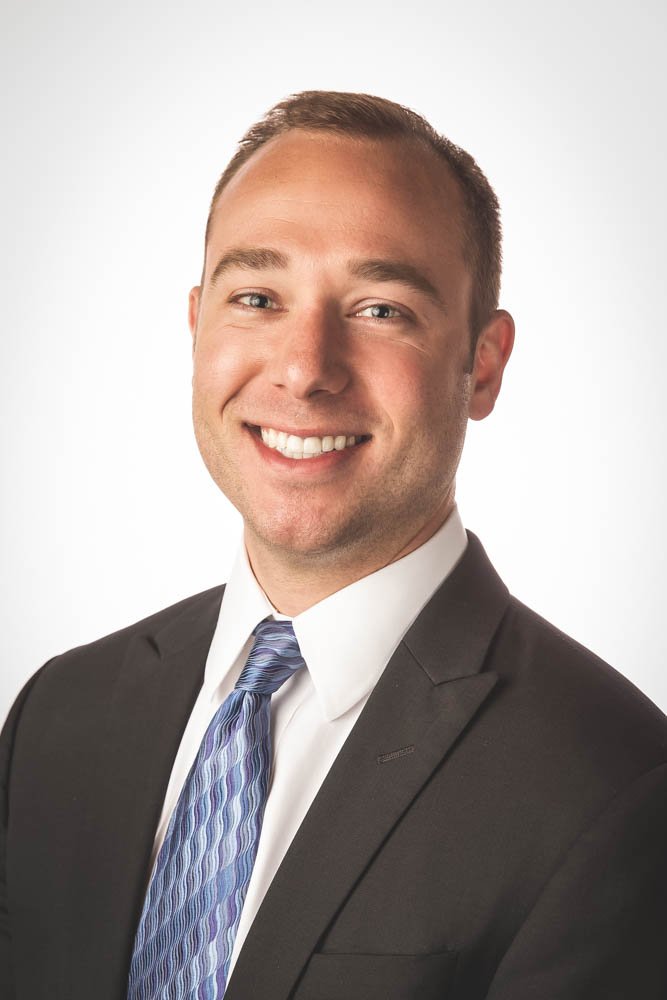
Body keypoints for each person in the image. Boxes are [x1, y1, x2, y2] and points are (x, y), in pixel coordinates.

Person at [1, 90, 666, 1000]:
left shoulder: (615, 787)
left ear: (481, 363)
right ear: (197, 328)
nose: (305, 367)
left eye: (380, 308)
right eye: (257, 297)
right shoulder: (55, 717)